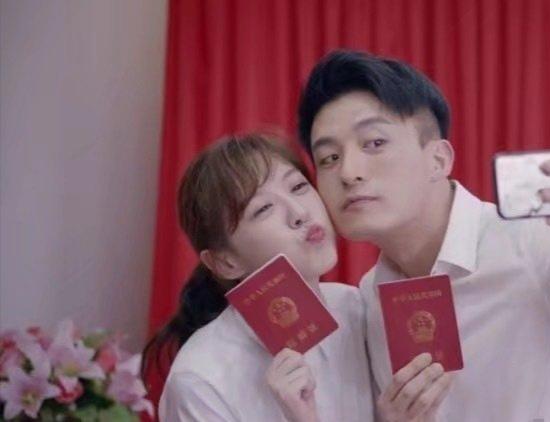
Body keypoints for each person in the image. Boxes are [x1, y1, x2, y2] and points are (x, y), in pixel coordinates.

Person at [297, 49, 550, 421]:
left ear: (439, 160)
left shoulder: (538, 239)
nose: (349, 172)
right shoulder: (370, 297)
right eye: (329, 158)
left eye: (374, 143)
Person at [144, 134, 444, 421]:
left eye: (299, 187)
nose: (300, 212)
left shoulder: (355, 308)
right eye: (263, 208)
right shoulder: (200, 381)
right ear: (225, 262)